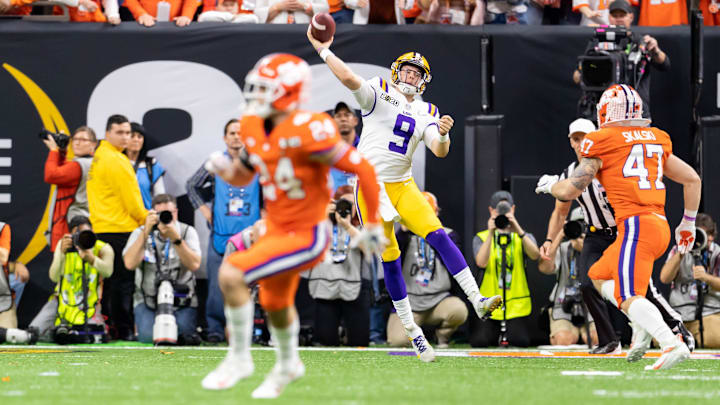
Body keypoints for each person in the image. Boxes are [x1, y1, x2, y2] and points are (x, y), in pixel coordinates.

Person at [309, 29, 502, 362]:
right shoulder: (379, 92)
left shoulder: (428, 109)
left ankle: (478, 299)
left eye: (417, 72)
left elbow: (439, 150)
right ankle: (414, 333)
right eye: (407, 70)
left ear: (424, 81)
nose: (411, 76)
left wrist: (442, 134)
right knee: (391, 259)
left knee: (440, 236)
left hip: (403, 184)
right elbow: (349, 77)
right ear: (396, 72)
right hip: (370, 187)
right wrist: (324, 51)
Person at [200, 53, 383, 398]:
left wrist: (372, 225)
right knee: (273, 299)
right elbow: (246, 172)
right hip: (276, 228)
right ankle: (288, 364)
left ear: (290, 92)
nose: (256, 95)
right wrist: (225, 171)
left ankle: (240, 358)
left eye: (265, 89)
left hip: (308, 233)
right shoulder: (253, 126)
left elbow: (364, 170)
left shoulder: (310, 128)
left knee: (232, 273)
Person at [536, 84, 701, 370]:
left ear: (605, 112)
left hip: (636, 227)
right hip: (657, 224)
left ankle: (671, 341)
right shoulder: (654, 138)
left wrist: (551, 185)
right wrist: (687, 222)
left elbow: (569, 191)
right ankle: (642, 328)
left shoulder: (603, 140)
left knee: (628, 295)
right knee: (598, 275)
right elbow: (692, 179)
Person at [186, 118, 262, 343]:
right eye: (232, 133)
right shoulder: (216, 163)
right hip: (221, 234)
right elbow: (191, 185)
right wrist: (205, 211)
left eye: (240, 133)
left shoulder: (258, 163)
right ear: (224, 138)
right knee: (217, 287)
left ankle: (250, 331)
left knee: (253, 286)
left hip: (250, 237)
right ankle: (216, 330)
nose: (236, 137)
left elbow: (271, 190)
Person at [87, 114, 148, 340]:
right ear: (107, 133)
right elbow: (132, 201)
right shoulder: (118, 161)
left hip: (102, 228)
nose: (125, 137)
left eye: (128, 133)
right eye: (120, 133)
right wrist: (146, 221)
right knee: (123, 284)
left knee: (110, 282)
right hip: (120, 229)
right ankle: (123, 330)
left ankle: (111, 326)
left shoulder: (100, 155)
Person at [388, 191, 468, 348]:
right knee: (397, 340)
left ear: (436, 212)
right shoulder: (404, 236)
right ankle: (420, 335)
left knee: (459, 311)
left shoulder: (448, 234)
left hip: (439, 299)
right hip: (410, 301)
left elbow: (452, 257)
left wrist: (432, 232)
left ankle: (442, 335)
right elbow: (394, 258)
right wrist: (404, 231)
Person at [123, 194, 202, 344]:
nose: (165, 217)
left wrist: (176, 239)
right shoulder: (140, 232)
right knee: (147, 337)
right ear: (152, 214)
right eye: (160, 214)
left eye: (169, 213)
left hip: (182, 300)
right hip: (148, 299)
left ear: (176, 213)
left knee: (183, 336)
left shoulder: (187, 231)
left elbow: (194, 265)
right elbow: (129, 264)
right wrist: (146, 232)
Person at [573, 0, 670, 122]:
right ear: (609, 17)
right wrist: (592, 71)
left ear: (631, 16)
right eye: (614, 15)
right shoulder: (597, 42)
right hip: (603, 111)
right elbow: (577, 75)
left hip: (636, 111)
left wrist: (655, 50)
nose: (618, 19)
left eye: (622, 15)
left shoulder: (638, 41)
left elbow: (665, 65)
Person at [28, 216, 114, 343]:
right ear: (72, 234)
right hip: (62, 300)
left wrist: (92, 259)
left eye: (88, 233)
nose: (84, 238)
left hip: (90, 303)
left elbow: (108, 272)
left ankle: (69, 335)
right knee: (34, 331)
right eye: (80, 235)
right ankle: (65, 335)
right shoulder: (64, 246)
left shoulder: (102, 248)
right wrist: (62, 254)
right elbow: (54, 276)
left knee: (96, 335)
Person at [307, 186, 372, 347]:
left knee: (360, 342)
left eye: (352, 204)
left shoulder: (361, 227)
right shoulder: (321, 225)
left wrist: (348, 226)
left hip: (353, 288)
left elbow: (370, 249)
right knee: (325, 342)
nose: (347, 209)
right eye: (343, 204)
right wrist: (322, 216)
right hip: (324, 287)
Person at [472, 191, 539, 347]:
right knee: (481, 342)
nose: (502, 213)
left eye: (506, 209)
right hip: (490, 304)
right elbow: (481, 263)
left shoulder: (523, 236)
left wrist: (518, 229)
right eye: (498, 209)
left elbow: (535, 255)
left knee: (520, 341)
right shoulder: (481, 237)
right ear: (491, 211)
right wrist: (491, 233)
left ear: (513, 209)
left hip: (516, 306)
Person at [538, 208, 598, 346]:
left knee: (596, 339)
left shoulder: (598, 249)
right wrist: (560, 235)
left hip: (591, 305)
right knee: (563, 339)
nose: (582, 231)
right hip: (563, 303)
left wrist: (587, 251)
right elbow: (544, 268)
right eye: (578, 225)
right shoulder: (562, 248)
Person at [661, 213, 720, 348]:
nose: (699, 241)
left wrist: (706, 278)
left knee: (714, 337)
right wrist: (682, 251)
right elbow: (664, 278)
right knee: (658, 339)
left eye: (704, 235)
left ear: (711, 236)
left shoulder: (716, 252)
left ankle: (692, 341)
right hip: (680, 313)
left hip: (708, 314)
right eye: (696, 236)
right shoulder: (678, 250)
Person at [43, 126, 97, 251]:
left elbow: (51, 175)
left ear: (94, 144)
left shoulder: (79, 165)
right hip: (84, 220)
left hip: (71, 224)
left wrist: (53, 151)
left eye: (83, 139)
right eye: (75, 139)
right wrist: (62, 152)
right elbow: (64, 170)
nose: (77, 142)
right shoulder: (92, 162)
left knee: (67, 266)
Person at [125, 122, 167, 210]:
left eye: (139, 137)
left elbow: (160, 197)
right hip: (120, 219)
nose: (136, 140)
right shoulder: (116, 163)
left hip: (146, 219)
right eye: (132, 136)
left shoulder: (151, 164)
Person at [329, 102, 359, 192]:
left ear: (355, 121)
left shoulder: (366, 147)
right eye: (338, 116)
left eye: (347, 115)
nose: (343, 119)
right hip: (333, 203)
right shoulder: (325, 152)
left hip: (361, 203)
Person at [123, 0, 199, 27]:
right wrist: (141, 14)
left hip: (176, 27)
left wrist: (186, 15)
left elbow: (191, 1)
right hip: (145, 26)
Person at [254, 0, 329, 24]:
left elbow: (325, 10)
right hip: (275, 32)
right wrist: (277, 7)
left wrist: (304, 7)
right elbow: (257, 13)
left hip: (305, 31)